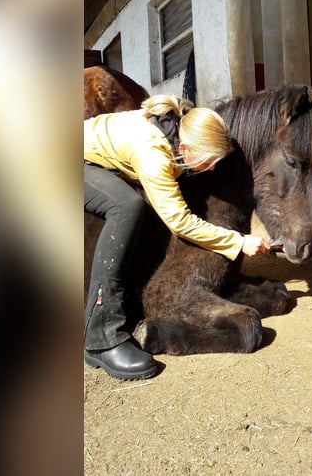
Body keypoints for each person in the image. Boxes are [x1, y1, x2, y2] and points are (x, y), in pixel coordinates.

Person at [83, 95, 270, 380]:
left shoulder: (177, 131)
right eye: (209, 162)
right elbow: (180, 222)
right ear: (185, 149)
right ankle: (101, 336)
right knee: (125, 205)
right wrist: (239, 241)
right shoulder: (153, 153)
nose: (212, 169)